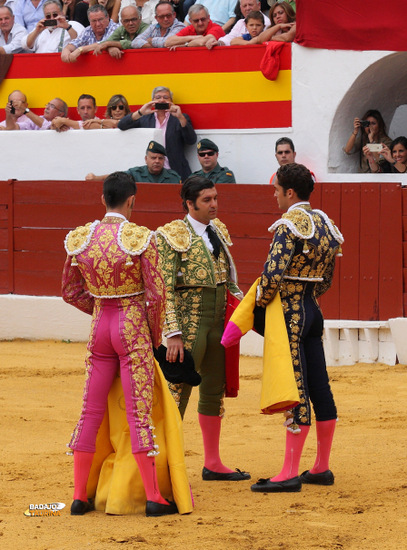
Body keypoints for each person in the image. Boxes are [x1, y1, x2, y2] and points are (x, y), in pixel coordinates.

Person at [61, 171, 179, 517]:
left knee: (90, 412)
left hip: (101, 327)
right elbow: (157, 296)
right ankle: (155, 497)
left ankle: (79, 496)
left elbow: (69, 292)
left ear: (103, 200)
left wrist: (99, 308)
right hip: (131, 326)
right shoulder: (141, 238)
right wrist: (152, 334)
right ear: (132, 200)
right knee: (137, 413)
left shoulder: (82, 238)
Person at [250, 163, 344, 494]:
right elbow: (327, 279)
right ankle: (321, 467)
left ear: (290, 192)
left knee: (297, 389)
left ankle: (289, 472)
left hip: (290, 314)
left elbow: (272, 275)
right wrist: (308, 298)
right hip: (313, 310)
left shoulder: (289, 225)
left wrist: (259, 303)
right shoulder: (326, 224)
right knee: (320, 387)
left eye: (277, 190)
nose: (275, 196)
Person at [155, 175, 250, 481]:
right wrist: (172, 334)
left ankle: (212, 462)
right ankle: (163, 464)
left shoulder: (218, 231)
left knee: (213, 391)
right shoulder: (170, 235)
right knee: (176, 393)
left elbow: (230, 283)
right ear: (189, 203)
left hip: (218, 325)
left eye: (216, 198)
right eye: (207, 200)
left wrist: (252, 307)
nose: (214, 205)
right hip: (188, 327)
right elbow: (163, 288)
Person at [118, 86, 196, 181]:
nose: (162, 100)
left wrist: (180, 117)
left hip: (176, 171)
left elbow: (191, 140)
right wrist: (140, 112)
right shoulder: (145, 118)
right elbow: (121, 125)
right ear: (152, 101)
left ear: (171, 101)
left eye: (166, 98)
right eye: (158, 97)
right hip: (152, 172)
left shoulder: (180, 117)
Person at [86, 140, 181, 182]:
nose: (157, 161)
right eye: (153, 158)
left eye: (160, 158)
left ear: (164, 160)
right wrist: (96, 178)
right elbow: (117, 177)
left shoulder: (173, 177)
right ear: (146, 159)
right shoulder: (136, 174)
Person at [343, 109, 392, 173]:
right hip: (363, 176)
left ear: (379, 125)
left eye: (373, 123)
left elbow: (379, 160)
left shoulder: (387, 141)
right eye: (367, 124)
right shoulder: (363, 139)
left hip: (379, 177)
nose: (370, 127)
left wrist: (372, 141)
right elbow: (348, 150)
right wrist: (355, 131)